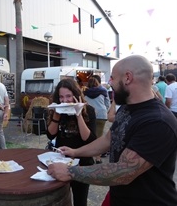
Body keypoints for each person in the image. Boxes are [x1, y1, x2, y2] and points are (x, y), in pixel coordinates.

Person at [47, 55, 177, 206]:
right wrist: (75, 152)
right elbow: (108, 139)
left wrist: (70, 172)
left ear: (127, 78)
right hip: (119, 197)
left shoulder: (157, 121)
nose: (109, 83)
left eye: (112, 78)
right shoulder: (127, 108)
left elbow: (123, 172)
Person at [47, 78, 96, 206]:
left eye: (68, 96)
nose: (65, 100)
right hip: (61, 162)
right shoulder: (57, 110)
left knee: (80, 201)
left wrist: (78, 114)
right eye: (61, 97)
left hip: (82, 164)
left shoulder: (89, 110)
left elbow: (89, 139)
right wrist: (56, 117)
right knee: (61, 199)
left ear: (76, 94)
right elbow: (50, 134)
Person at [84, 76, 110, 164]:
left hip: (90, 115)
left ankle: (89, 155)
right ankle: (98, 158)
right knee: (99, 136)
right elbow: (107, 103)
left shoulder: (85, 93)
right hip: (102, 115)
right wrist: (104, 110)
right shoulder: (103, 91)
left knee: (91, 136)